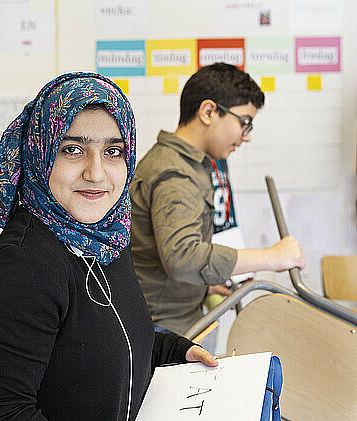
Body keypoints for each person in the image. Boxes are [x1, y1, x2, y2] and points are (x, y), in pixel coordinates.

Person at [0, 72, 217, 421]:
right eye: (72, 150)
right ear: (38, 153)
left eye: (113, 151)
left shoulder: (105, 238)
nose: (97, 173)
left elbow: (112, 335)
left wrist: (176, 349)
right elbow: (3, 412)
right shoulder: (24, 265)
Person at [130, 63, 306, 336]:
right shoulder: (176, 173)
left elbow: (165, 254)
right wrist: (272, 257)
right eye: (244, 123)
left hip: (176, 318)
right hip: (165, 331)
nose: (245, 137)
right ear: (209, 111)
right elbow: (183, 258)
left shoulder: (187, 163)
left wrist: (201, 286)